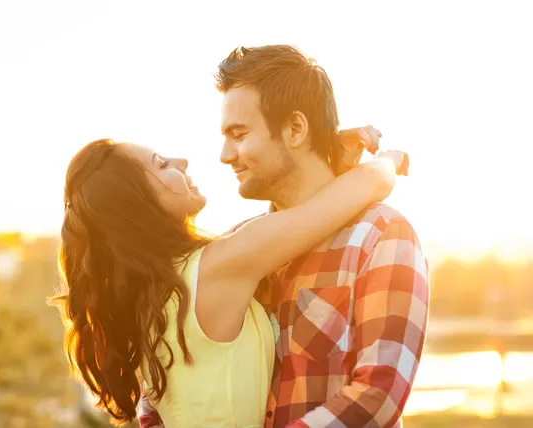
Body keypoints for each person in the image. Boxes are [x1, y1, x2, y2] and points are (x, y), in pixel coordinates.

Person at [139, 45, 429, 428]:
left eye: (238, 134)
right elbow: (158, 401)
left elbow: (378, 394)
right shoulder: (232, 250)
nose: (226, 155)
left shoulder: (381, 237)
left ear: (295, 129)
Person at [53, 131, 406, 426]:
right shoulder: (217, 267)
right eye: (161, 164)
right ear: (138, 204)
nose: (181, 162)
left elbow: (284, 228)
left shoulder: (153, 296)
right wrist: (388, 160)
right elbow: (358, 191)